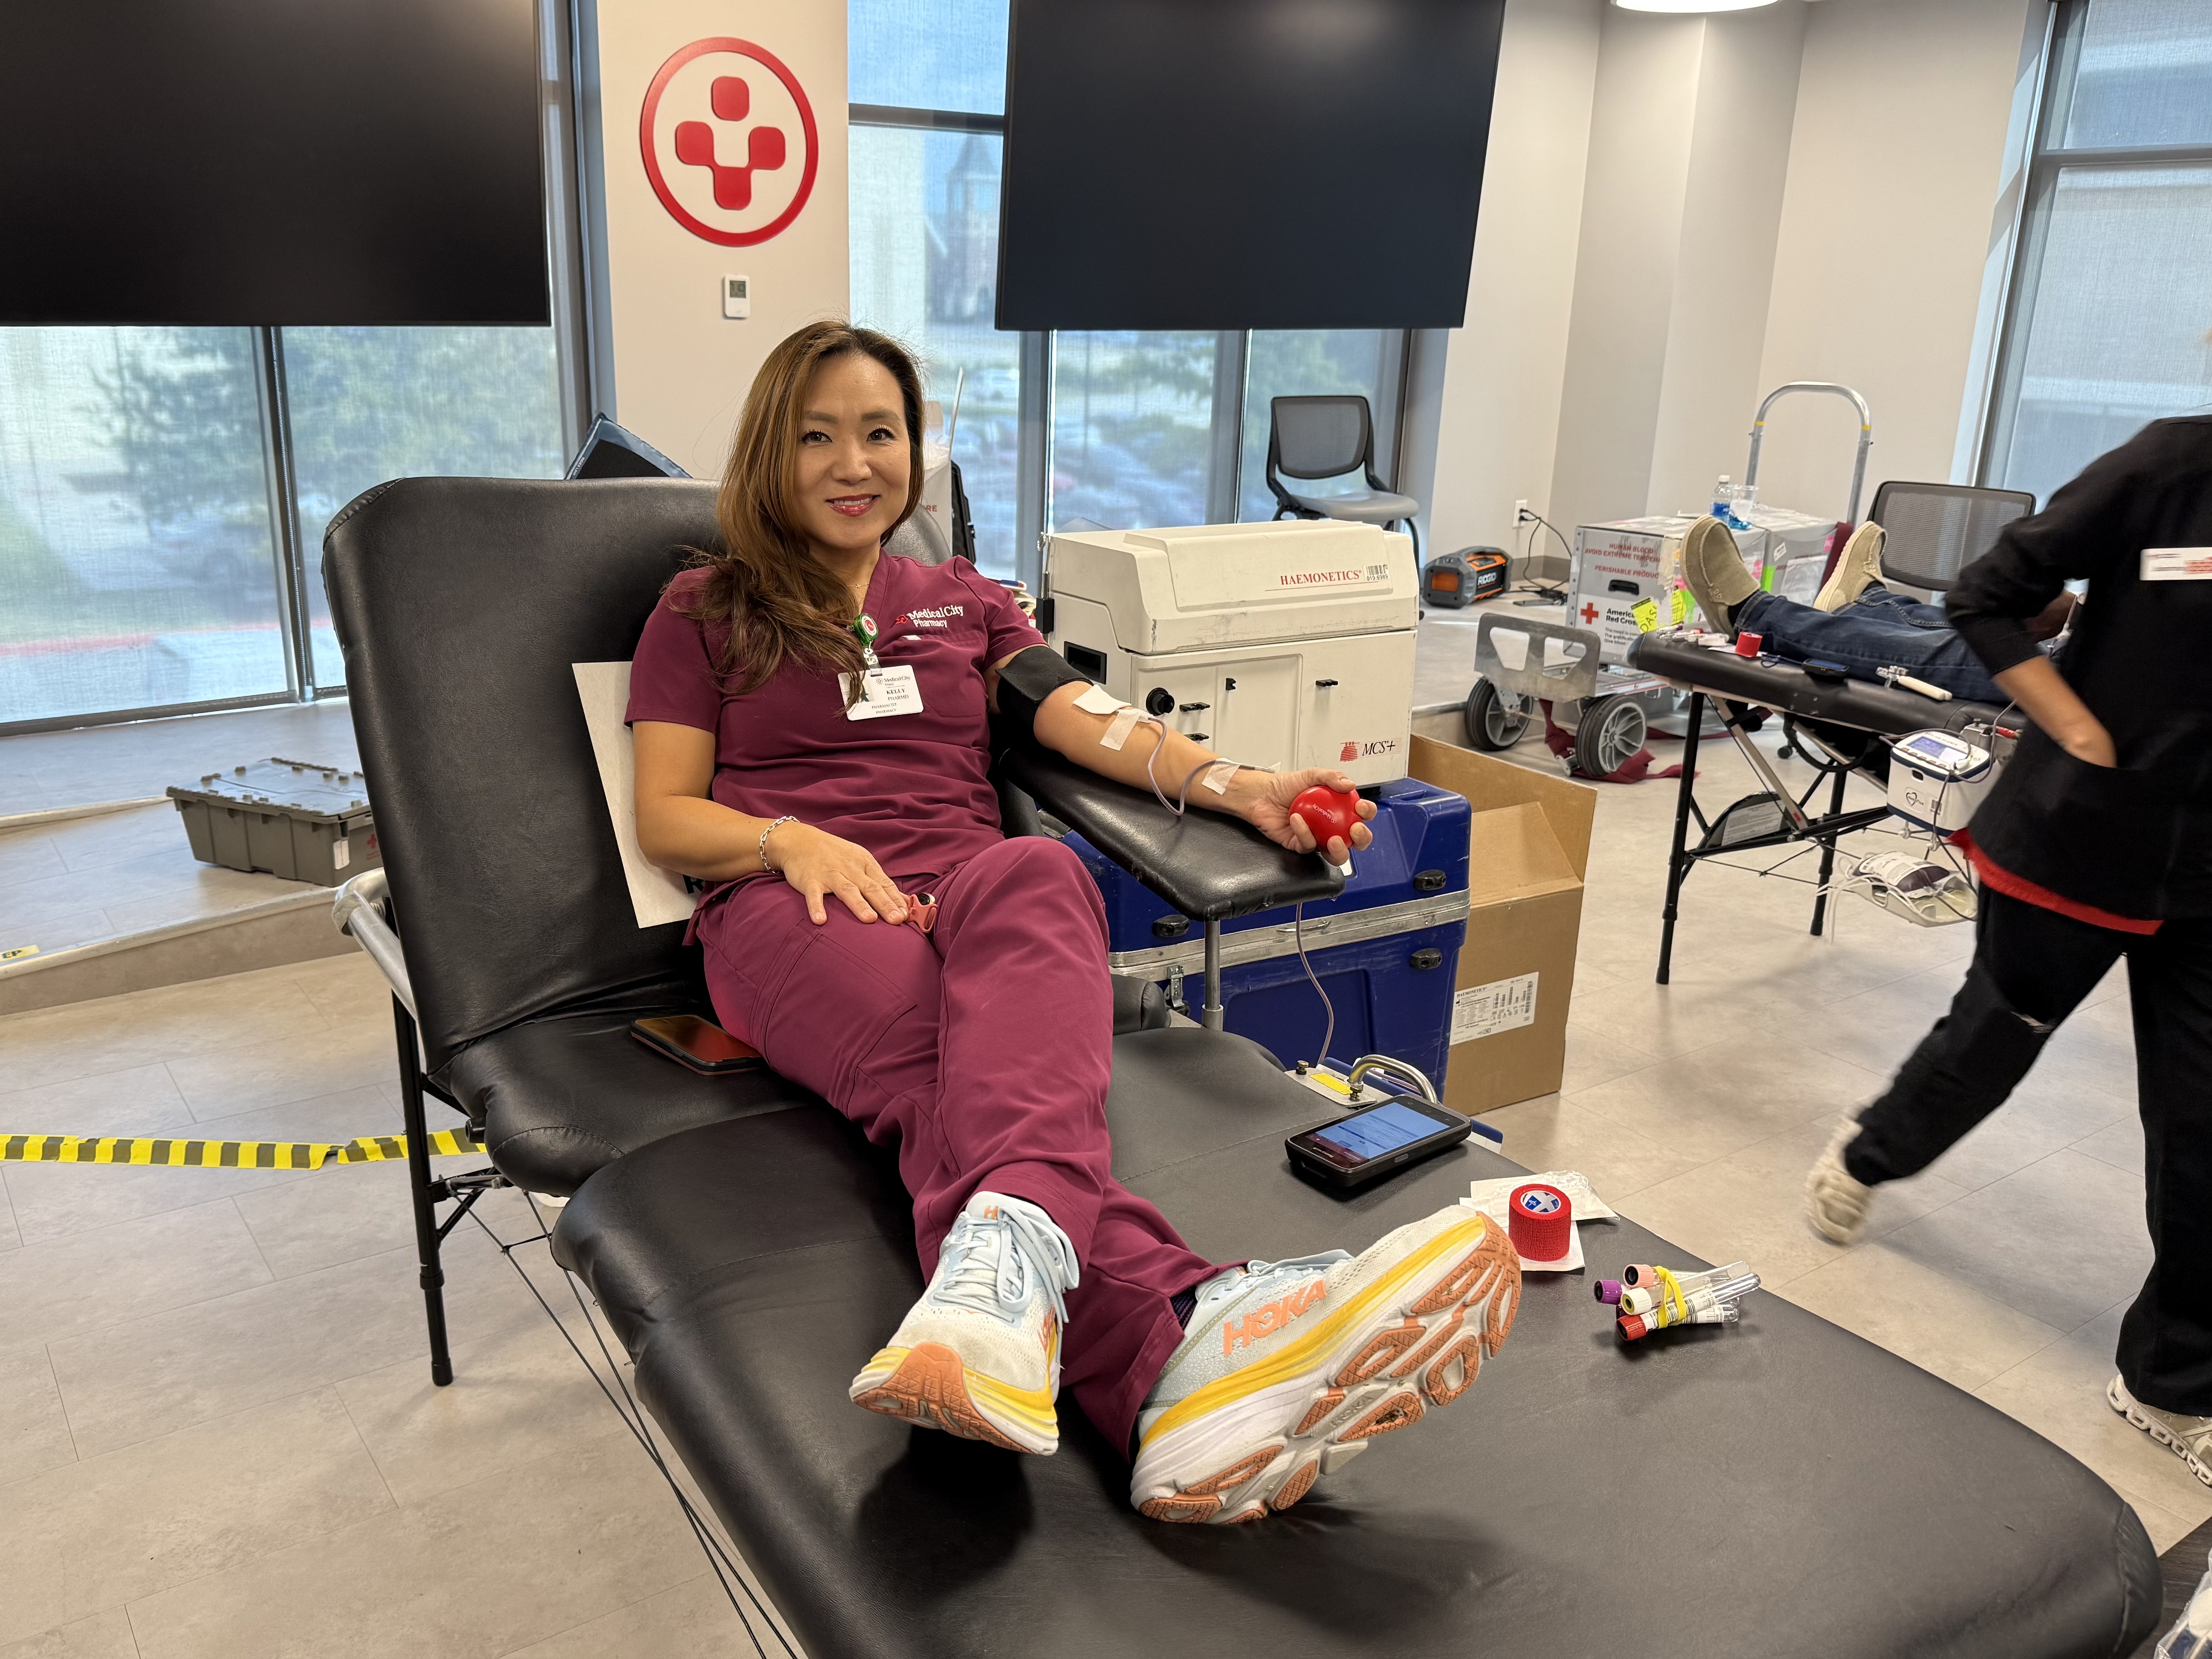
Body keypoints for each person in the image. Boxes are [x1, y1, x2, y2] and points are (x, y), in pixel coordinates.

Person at [624, 320, 1520, 1526]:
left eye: (880, 432)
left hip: (970, 890)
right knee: (948, 1070)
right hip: (802, 905)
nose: (854, 462)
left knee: (1042, 872)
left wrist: (1236, 780)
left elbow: (1090, 721)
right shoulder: (704, 608)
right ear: (766, 455)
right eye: (817, 435)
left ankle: (1012, 1283)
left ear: (914, 451)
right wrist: (787, 839)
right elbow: (669, 816)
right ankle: (1180, 1344)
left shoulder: (964, 603)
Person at [1790, 417, 2212, 1489]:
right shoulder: (2171, 466)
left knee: (2207, 1121)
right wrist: (2070, 724)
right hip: (2082, 834)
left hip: (2208, 869)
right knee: (1994, 1035)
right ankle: (1868, 1149)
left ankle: (2168, 1379)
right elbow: (1984, 594)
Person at [1678, 515, 2077, 705]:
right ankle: (1866, 603)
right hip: (2089, 663)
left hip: (2084, 695)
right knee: (1974, 628)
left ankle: (1751, 615)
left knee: (1974, 649)